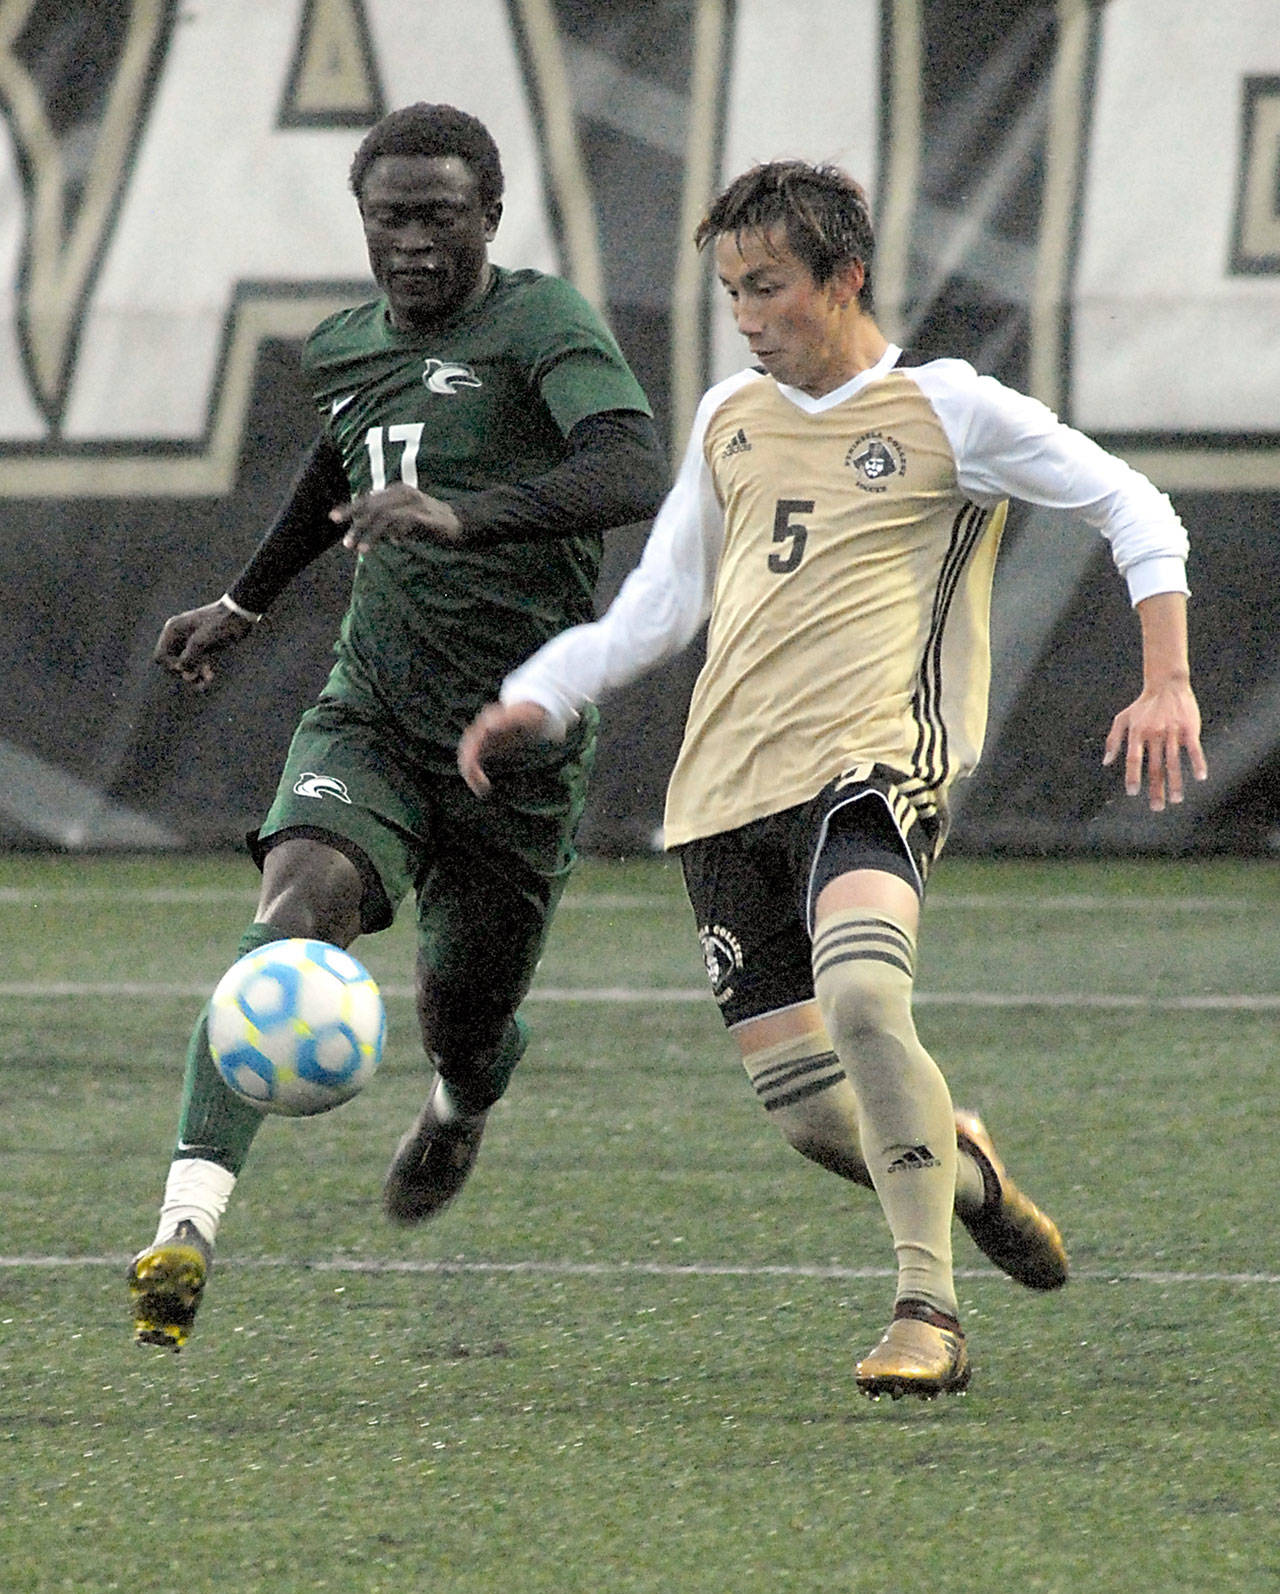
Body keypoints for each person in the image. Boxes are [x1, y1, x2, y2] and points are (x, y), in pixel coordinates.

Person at [457, 160, 1208, 1399]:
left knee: (865, 996)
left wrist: (1165, 677)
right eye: (729, 293)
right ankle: (965, 1175)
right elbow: (656, 606)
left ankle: (927, 1311)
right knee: (814, 1114)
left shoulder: (947, 409)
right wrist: (542, 688)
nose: (747, 318)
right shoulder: (725, 420)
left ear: (842, 277)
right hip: (719, 796)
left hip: (875, 763)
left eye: (768, 288)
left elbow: (1137, 512)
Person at [128, 103, 666, 1351]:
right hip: (367, 709)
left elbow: (631, 468)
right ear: (362, 222)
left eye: (438, 215)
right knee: (291, 915)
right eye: (390, 217)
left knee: (461, 1017)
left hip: (511, 743)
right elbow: (338, 464)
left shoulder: (543, 323)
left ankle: (460, 1100)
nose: (413, 241)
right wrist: (243, 603)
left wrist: (465, 516)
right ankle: (184, 1229)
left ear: (489, 216)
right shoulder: (346, 346)